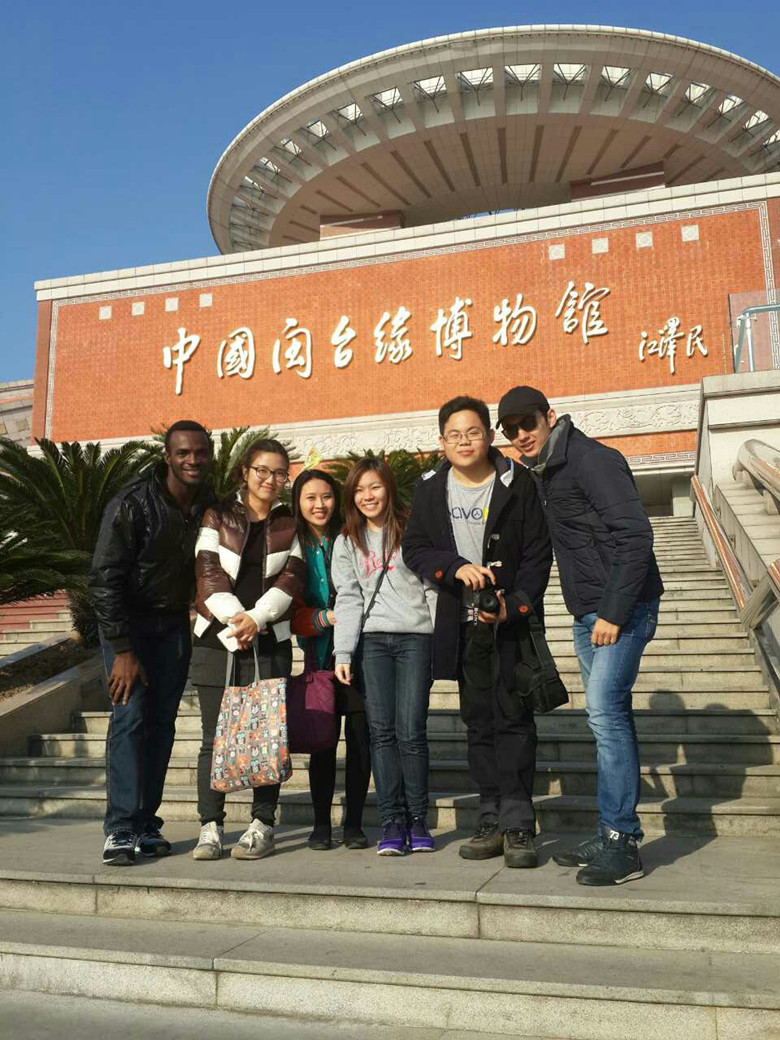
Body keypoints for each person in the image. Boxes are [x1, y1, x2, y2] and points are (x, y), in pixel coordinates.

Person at [497, 385, 663, 886]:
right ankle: (610, 831)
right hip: (587, 613)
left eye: (528, 423)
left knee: (605, 715)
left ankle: (622, 843)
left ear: (549, 416)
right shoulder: (544, 471)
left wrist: (613, 611)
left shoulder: (592, 460)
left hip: (622, 611)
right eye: (511, 429)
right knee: (608, 719)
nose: (521, 434)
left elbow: (636, 536)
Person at [402, 396, 551, 868]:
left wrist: (515, 605)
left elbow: (538, 554)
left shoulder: (517, 481)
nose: (464, 441)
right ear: (442, 441)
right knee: (479, 723)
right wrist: (453, 567)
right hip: (462, 626)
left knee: (515, 721)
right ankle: (490, 819)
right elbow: (414, 549)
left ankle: (519, 824)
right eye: (454, 435)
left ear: (488, 436)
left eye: (472, 432)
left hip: (509, 625)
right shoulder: (430, 489)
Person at [88, 420, 213, 865]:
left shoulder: (209, 503)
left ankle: (145, 822)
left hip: (173, 625)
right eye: (183, 453)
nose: (192, 460)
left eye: (200, 452)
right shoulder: (132, 503)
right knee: (130, 718)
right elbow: (104, 578)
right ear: (167, 457)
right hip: (131, 626)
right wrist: (122, 649)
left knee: (161, 724)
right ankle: (120, 827)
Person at [189, 438, 304, 862]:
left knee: (268, 732)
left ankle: (262, 824)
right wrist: (237, 620)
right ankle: (210, 826)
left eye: (279, 473)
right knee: (212, 737)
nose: (271, 480)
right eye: (263, 471)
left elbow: (292, 576)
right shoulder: (217, 515)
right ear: (245, 471)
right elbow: (207, 571)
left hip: (270, 639)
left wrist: (258, 618)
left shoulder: (289, 522)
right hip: (216, 639)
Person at [332, 458, 436, 856]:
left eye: (374, 487)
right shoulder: (347, 541)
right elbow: (349, 598)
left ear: (389, 488)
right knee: (381, 732)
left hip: (415, 639)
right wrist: (344, 651)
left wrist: (440, 639)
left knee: (411, 731)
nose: (367, 496)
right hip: (373, 642)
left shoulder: (414, 529)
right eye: (359, 490)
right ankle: (392, 821)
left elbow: (431, 588)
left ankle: (417, 819)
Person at [290, 469, 372, 851]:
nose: (319, 505)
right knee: (321, 744)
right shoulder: (292, 546)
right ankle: (321, 825)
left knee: (359, 741)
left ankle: (353, 824)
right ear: (298, 502)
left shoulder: (352, 536)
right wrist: (325, 618)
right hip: (319, 659)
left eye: (326, 496)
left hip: (358, 656)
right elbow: (290, 612)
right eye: (310, 498)